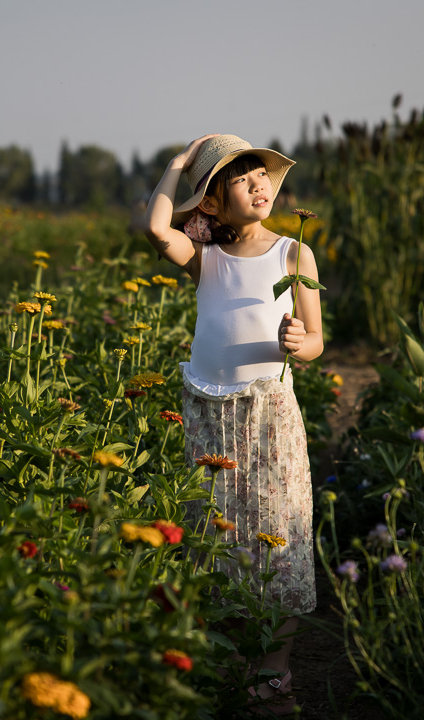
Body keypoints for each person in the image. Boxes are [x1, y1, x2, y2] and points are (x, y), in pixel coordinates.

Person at [138, 134, 322, 711]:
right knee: (218, 529)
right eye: (240, 179)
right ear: (212, 203)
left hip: (269, 409)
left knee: (279, 526)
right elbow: (156, 230)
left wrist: (301, 342)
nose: (259, 184)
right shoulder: (207, 259)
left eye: (261, 175)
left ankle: (274, 671)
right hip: (210, 409)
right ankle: (225, 657)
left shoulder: (294, 254)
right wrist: (176, 167)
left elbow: (317, 339)